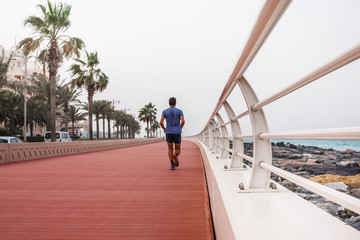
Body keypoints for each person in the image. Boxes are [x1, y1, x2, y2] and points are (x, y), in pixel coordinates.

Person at [160, 97, 185, 170]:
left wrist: (164, 128)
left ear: (169, 103)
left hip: (169, 132)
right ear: (175, 103)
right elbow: (183, 121)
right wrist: (180, 127)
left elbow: (161, 122)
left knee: (170, 149)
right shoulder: (179, 111)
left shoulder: (165, 111)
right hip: (177, 132)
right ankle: (176, 155)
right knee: (178, 149)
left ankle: (172, 165)